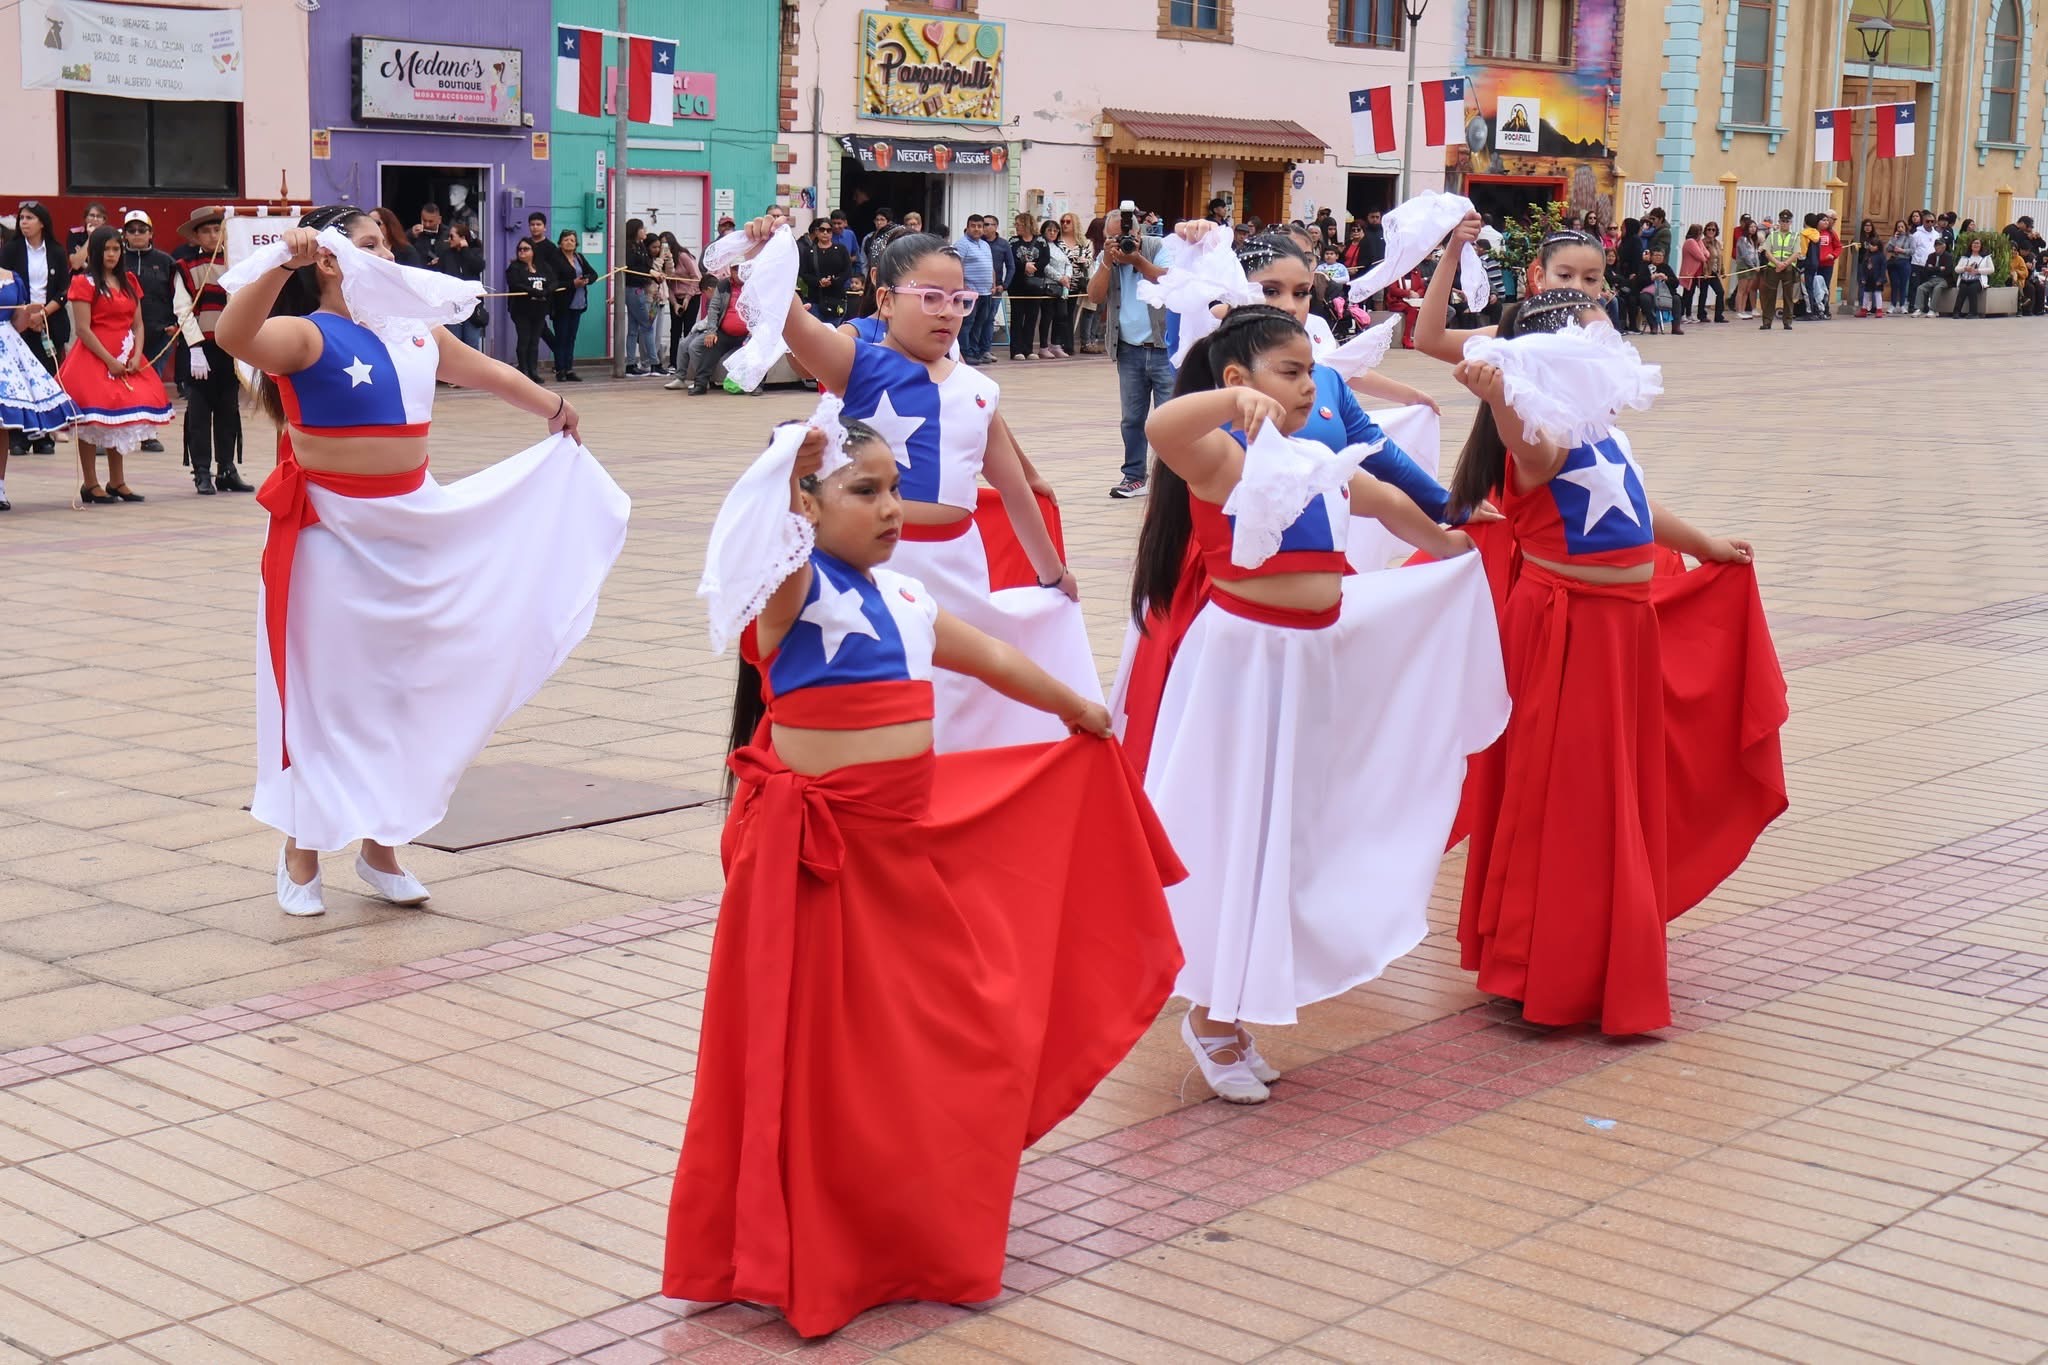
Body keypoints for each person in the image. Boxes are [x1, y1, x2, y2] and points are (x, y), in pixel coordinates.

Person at [666, 411, 1182, 1338]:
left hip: (902, 857)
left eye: (894, 488)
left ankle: (923, 1230)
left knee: (955, 1042)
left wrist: (1078, 708)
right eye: (864, 492)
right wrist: (791, 465)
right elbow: (766, 537)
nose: (891, 508)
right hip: (819, 867)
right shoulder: (790, 593)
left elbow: (990, 656)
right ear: (808, 510)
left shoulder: (903, 601)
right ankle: (824, 1247)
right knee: (824, 1063)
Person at [1114, 306, 1496, 1100]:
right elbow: (1162, 429)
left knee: (1290, 831)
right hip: (1245, 665)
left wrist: (1461, 543)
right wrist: (1230, 408)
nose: (1306, 384)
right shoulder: (1224, 457)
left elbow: (1396, 507)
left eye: (1309, 370)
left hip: (1308, 662)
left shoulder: (1321, 457)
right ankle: (1211, 1015)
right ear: (1237, 380)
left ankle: (1237, 1005)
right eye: (1289, 371)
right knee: (1236, 829)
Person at [213, 205, 629, 917]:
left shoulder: (416, 331)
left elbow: (489, 372)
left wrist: (553, 405)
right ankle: (302, 849)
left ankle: (383, 846)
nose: (385, 254)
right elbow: (233, 335)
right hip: (331, 539)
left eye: (387, 243)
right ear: (330, 261)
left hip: (413, 528)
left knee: (405, 693)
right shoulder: (309, 334)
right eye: (367, 245)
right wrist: (281, 260)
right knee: (324, 697)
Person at [1444, 288, 1783, 1035]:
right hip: (1566, 631)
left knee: (1607, 793)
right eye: (1593, 346)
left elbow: (1634, 503)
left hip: (1619, 633)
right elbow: (1525, 441)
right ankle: (1544, 962)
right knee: (1564, 795)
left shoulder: (1597, 432)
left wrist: (1702, 545)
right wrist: (1503, 392)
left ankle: (1584, 951)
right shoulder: (1537, 436)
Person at [744, 223, 1099, 749]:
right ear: (885, 300)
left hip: (960, 565)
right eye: (930, 297)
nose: (947, 312)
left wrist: (1052, 573)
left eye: (960, 299)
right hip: (874, 562)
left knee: (969, 688)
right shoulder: (857, 364)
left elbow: (1015, 490)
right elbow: (794, 324)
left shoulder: (979, 389)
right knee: (887, 683)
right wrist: (768, 248)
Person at [58, 225, 174, 503]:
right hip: (94, 356)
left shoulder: (129, 281)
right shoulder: (84, 283)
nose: (111, 254)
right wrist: (109, 361)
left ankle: (117, 480)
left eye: (115, 249)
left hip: (127, 354)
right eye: (106, 249)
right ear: (95, 252)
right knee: (90, 420)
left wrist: (136, 356)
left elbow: (138, 323)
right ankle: (90, 482)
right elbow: (84, 329)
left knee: (119, 417)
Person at [1087, 215, 1170, 498]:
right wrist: (1108, 262)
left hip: (1163, 349)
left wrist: (1136, 260)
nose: (1119, 242)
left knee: (1170, 418)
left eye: (1124, 236)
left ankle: (1170, 480)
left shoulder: (1157, 246)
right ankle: (1134, 476)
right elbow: (1095, 296)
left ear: (1138, 232)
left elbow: (1167, 280)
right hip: (1129, 349)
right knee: (1132, 419)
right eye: (1111, 238)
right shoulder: (1105, 257)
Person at [171, 207, 250, 494]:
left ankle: (227, 468)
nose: (213, 235)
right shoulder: (185, 266)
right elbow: (183, 310)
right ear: (196, 236)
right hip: (200, 351)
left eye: (218, 230)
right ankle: (201, 471)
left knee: (229, 410)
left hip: (230, 347)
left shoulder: (238, 265)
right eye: (206, 231)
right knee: (200, 413)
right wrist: (195, 347)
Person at [0, 256, 82, 497]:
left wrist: (30, 315)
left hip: (8, 350)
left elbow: (17, 322)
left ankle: (0, 488)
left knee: (1, 424)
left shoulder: (11, 277)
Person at [2, 202, 70, 453]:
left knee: (45, 377)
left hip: (49, 320)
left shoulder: (55, 250)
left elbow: (65, 288)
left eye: (30, 218)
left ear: (42, 222)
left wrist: (44, 312)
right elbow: (8, 287)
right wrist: (25, 314)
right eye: (21, 218)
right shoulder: (11, 250)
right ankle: (19, 436)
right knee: (21, 380)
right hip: (18, 323)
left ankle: (43, 436)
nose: (24, 222)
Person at [119, 212, 178, 408]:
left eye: (142, 230)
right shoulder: (116, 259)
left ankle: (148, 436)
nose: (137, 234)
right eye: (131, 230)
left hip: (159, 333)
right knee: (124, 385)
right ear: (125, 234)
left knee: (151, 383)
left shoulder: (166, 262)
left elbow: (179, 295)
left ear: (151, 233)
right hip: (123, 333)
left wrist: (175, 324)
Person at [680, 267, 746, 395]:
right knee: (709, 345)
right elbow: (714, 308)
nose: (737, 273)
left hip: (748, 332)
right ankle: (701, 384)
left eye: (740, 269)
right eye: (734, 269)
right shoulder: (723, 285)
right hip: (726, 331)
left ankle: (757, 386)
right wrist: (711, 331)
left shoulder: (753, 283)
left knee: (759, 350)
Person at [524, 212, 573, 361]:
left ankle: (559, 357)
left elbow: (553, 271)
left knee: (540, 328)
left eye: (538, 224)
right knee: (529, 330)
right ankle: (528, 364)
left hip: (544, 294)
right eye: (532, 224)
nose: (535, 228)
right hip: (527, 293)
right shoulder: (525, 244)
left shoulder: (550, 248)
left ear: (545, 227)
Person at [505, 239, 550, 380]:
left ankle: (533, 371)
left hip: (539, 309)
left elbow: (554, 281)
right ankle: (523, 370)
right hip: (521, 310)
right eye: (520, 249)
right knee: (524, 339)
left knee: (534, 340)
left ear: (533, 251)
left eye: (526, 249)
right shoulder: (514, 267)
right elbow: (515, 284)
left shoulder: (542, 267)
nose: (522, 252)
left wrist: (546, 291)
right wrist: (533, 291)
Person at [442, 221, 489, 353]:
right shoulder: (447, 255)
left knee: (471, 342)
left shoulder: (474, 252)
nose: (449, 240)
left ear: (462, 238)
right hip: (453, 304)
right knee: (454, 342)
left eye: (452, 236)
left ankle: (474, 371)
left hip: (471, 305)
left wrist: (465, 250)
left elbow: (479, 267)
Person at [623, 219, 657, 375]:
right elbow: (632, 267)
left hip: (640, 288)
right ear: (635, 230)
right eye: (642, 228)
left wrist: (654, 274)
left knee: (633, 329)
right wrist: (650, 272)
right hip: (634, 290)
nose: (645, 231)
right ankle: (654, 363)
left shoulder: (641, 246)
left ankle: (630, 364)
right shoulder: (629, 247)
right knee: (647, 326)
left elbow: (647, 265)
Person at [799, 216, 850, 322]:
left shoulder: (841, 250)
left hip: (836, 299)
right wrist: (819, 282)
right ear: (817, 232)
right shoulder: (809, 252)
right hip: (816, 300)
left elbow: (847, 271)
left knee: (833, 333)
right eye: (822, 230)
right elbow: (804, 273)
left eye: (829, 230)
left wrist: (834, 281)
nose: (825, 233)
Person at [665, 240, 702, 378]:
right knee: (675, 330)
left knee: (689, 329)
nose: (664, 249)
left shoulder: (683, 256)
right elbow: (666, 284)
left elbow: (696, 277)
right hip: (675, 297)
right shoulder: (662, 261)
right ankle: (673, 363)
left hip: (691, 296)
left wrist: (687, 298)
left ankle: (688, 363)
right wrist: (674, 303)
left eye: (665, 245)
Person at [1759, 210, 1801, 330]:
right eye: (1782, 221)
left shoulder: (1795, 236)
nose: (1784, 223)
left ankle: (1787, 322)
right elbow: (1767, 251)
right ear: (1779, 221)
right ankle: (1767, 322)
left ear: (1791, 222)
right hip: (1773, 268)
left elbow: (1796, 252)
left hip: (1788, 268)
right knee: (1770, 295)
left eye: (1787, 221)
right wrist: (1777, 263)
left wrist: (1785, 263)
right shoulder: (1773, 235)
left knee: (1788, 296)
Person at [1913, 237, 1956, 317]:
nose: (1937, 247)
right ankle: (1918, 309)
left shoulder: (1948, 256)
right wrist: (1939, 268)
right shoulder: (1931, 256)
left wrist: (1932, 268)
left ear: (1944, 247)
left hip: (1944, 279)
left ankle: (1932, 310)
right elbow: (1926, 270)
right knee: (1921, 288)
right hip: (1932, 279)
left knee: (1937, 288)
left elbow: (1947, 271)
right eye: (1936, 245)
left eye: (1939, 245)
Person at [1953, 237, 1992, 318]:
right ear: (1971, 245)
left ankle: (1973, 313)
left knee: (1972, 289)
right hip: (1965, 279)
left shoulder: (1986, 257)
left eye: (1978, 243)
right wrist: (1964, 268)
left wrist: (1978, 271)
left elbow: (1991, 269)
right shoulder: (1965, 257)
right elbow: (1956, 269)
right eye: (1974, 243)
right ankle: (1956, 312)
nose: (1976, 245)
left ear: (1981, 246)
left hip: (1978, 280)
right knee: (1962, 289)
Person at [1855, 222, 1887, 317]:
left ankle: (1879, 310)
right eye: (1870, 245)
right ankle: (1864, 309)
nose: (1871, 247)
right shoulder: (1866, 256)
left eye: (1874, 245)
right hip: (1868, 279)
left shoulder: (1881, 256)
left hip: (1877, 279)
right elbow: (1864, 268)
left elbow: (1883, 268)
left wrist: (1881, 279)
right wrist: (1863, 278)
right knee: (1866, 294)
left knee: (1877, 295)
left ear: (1878, 246)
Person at [65, 202, 107, 272]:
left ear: (103, 220)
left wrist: (84, 264)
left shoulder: (108, 236)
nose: (95, 219)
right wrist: (90, 237)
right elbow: (76, 264)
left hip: (101, 278)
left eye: (99, 216)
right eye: (92, 215)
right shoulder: (75, 233)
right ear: (85, 218)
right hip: (78, 276)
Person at [408, 202, 449, 273]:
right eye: (424, 220)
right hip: (421, 274)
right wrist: (411, 235)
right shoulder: (414, 233)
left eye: (431, 221)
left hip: (443, 276)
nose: (427, 224)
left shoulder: (448, 234)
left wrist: (442, 261)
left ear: (439, 220)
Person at [1884, 219, 1913, 314]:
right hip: (1893, 262)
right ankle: (1892, 304)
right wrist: (1894, 239)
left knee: (1903, 284)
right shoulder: (1893, 237)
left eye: (1902, 227)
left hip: (1904, 262)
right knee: (1894, 284)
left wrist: (1902, 250)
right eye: (1898, 227)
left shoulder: (1910, 238)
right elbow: (1888, 248)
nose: (1900, 229)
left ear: (1905, 228)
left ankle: (1902, 305)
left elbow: (1912, 251)